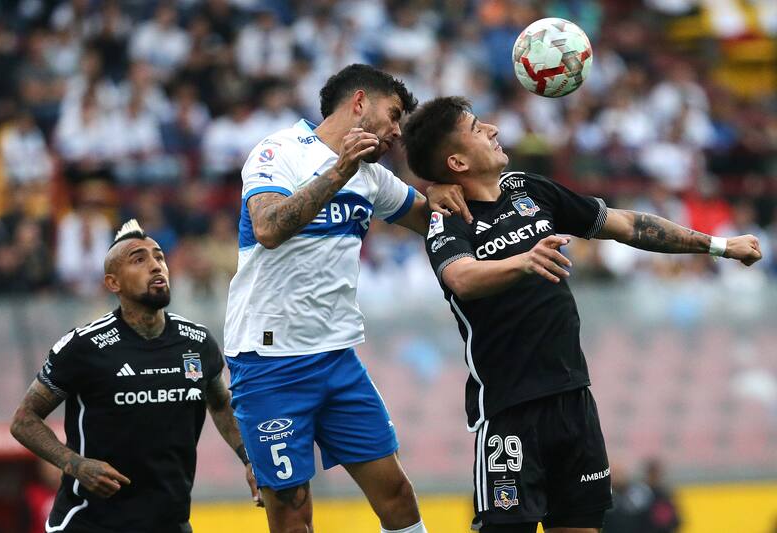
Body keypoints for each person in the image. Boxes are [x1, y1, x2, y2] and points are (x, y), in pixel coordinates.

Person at [401, 96, 762, 533]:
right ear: (456, 161)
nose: (493, 129)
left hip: (575, 400)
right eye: (477, 128)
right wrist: (524, 262)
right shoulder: (448, 218)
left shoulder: (527, 189)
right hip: (511, 409)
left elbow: (625, 224)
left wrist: (718, 246)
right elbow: (461, 276)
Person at [224, 64, 469, 533]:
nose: (397, 131)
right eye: (393, 115)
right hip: (269, 362)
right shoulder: (278, 152)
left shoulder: (371, 177)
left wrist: (443, 196)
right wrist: (339, 172)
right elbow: (269, 228)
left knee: (397, 496)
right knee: (293, 513)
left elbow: (429, 217)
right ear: (359, 103)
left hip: (336, 358)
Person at [10, 219, 259, 533]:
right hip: (90, 523)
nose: (155, 266)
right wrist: (76, 466)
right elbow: (24, 419)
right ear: (113, 283)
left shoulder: (197, 343)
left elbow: (221, 405)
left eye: (159, 257)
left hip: (170, 523)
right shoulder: (83, 347)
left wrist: (250, 459)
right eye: (139, 259)